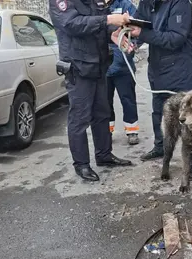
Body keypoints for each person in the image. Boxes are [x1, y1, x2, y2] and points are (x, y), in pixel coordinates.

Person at [49, 0, 134, 182]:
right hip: (78, 67)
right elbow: (71, 24)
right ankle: (81, 164)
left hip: (99, 65)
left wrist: (113, 34)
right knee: (79, 119)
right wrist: (109, 19)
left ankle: (104, 155)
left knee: (102, 113)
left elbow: (97, 25)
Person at [129, 0, 192, 167]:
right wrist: (131, 40)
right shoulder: (148, 3)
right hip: (157, 69)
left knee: (186, 116)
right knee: (158, 112)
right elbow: (138, 24)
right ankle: (160, 146)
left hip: (180, 70)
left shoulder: (180, 4)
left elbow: (176, 38)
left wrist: (142, 34)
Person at [106, 0, 140, 146]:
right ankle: (106, 131)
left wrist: (133, 45)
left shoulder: (126, 5)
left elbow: (138, 29)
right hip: (103, 65)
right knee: (104, 102)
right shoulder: (94, 6)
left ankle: (132, 130)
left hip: (123, 63)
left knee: (128, 100)